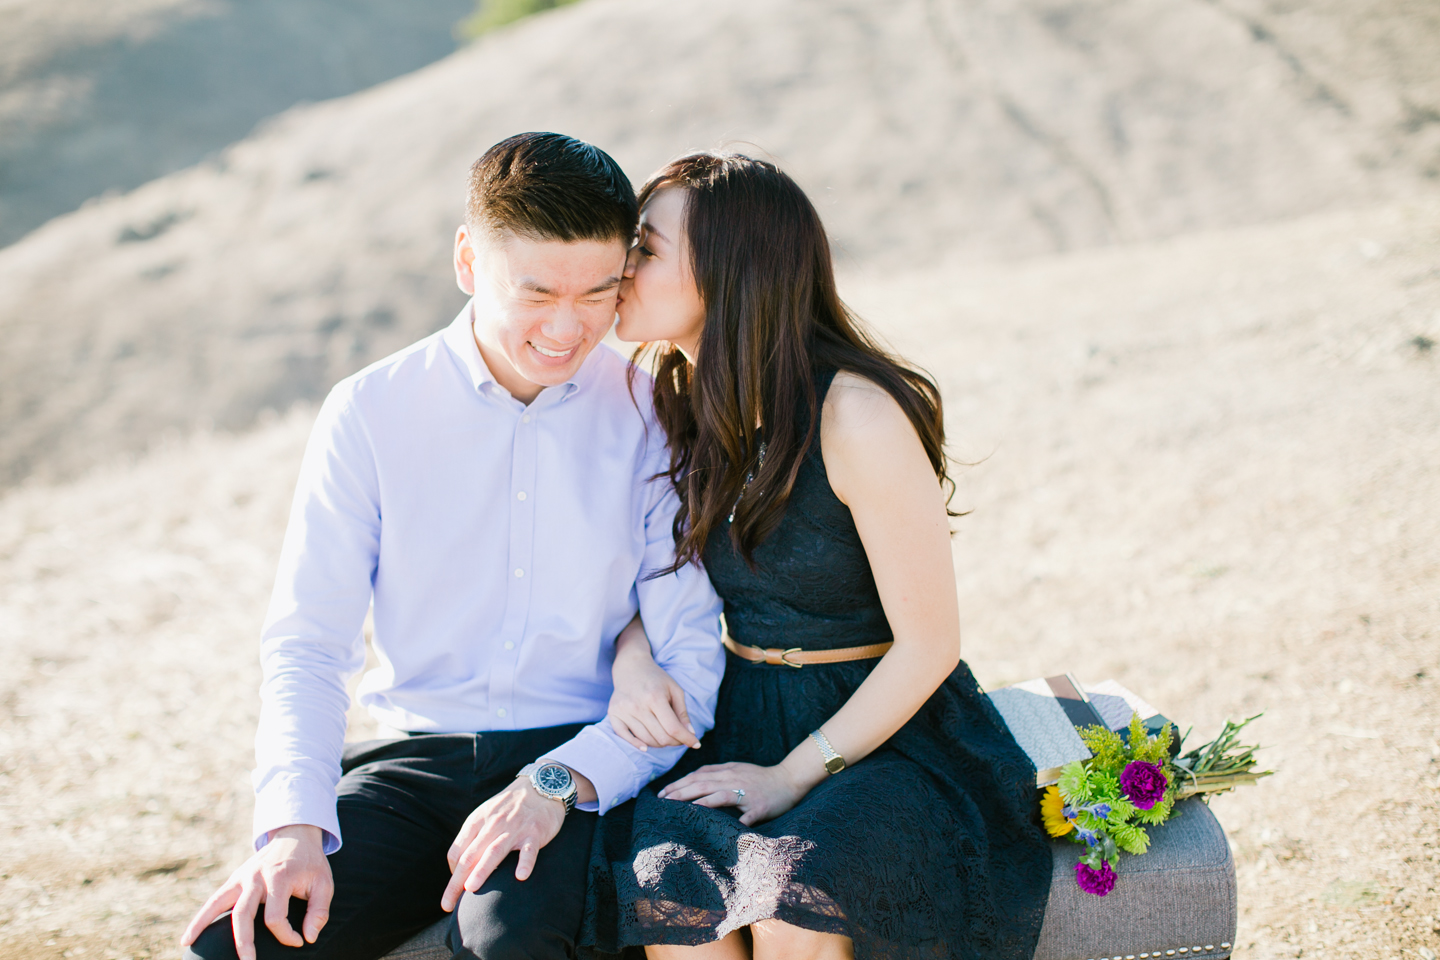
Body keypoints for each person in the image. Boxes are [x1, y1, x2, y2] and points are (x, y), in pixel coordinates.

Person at [180, 132, 726, 960]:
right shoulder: (369, 411)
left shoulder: (654, 416)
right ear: (469, 262)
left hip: (570, 762)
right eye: (537, 291)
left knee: (507, 947)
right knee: (231, 949)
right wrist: (291, 825)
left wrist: (559, 781)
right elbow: (309, 645)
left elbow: (689, 662)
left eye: (598, 293)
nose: (568, 327)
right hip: (411, 763)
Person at [581, 153, 1053, 960]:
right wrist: (632, 660)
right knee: (673, 895)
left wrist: (793, 775)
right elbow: (624, 578)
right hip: (740, 714)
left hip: (885, 733)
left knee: (792, 908)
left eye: (646, 247)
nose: (620, 268)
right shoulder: (673, 399)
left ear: (730, 270)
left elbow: (931, 645)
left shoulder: (856, 414)